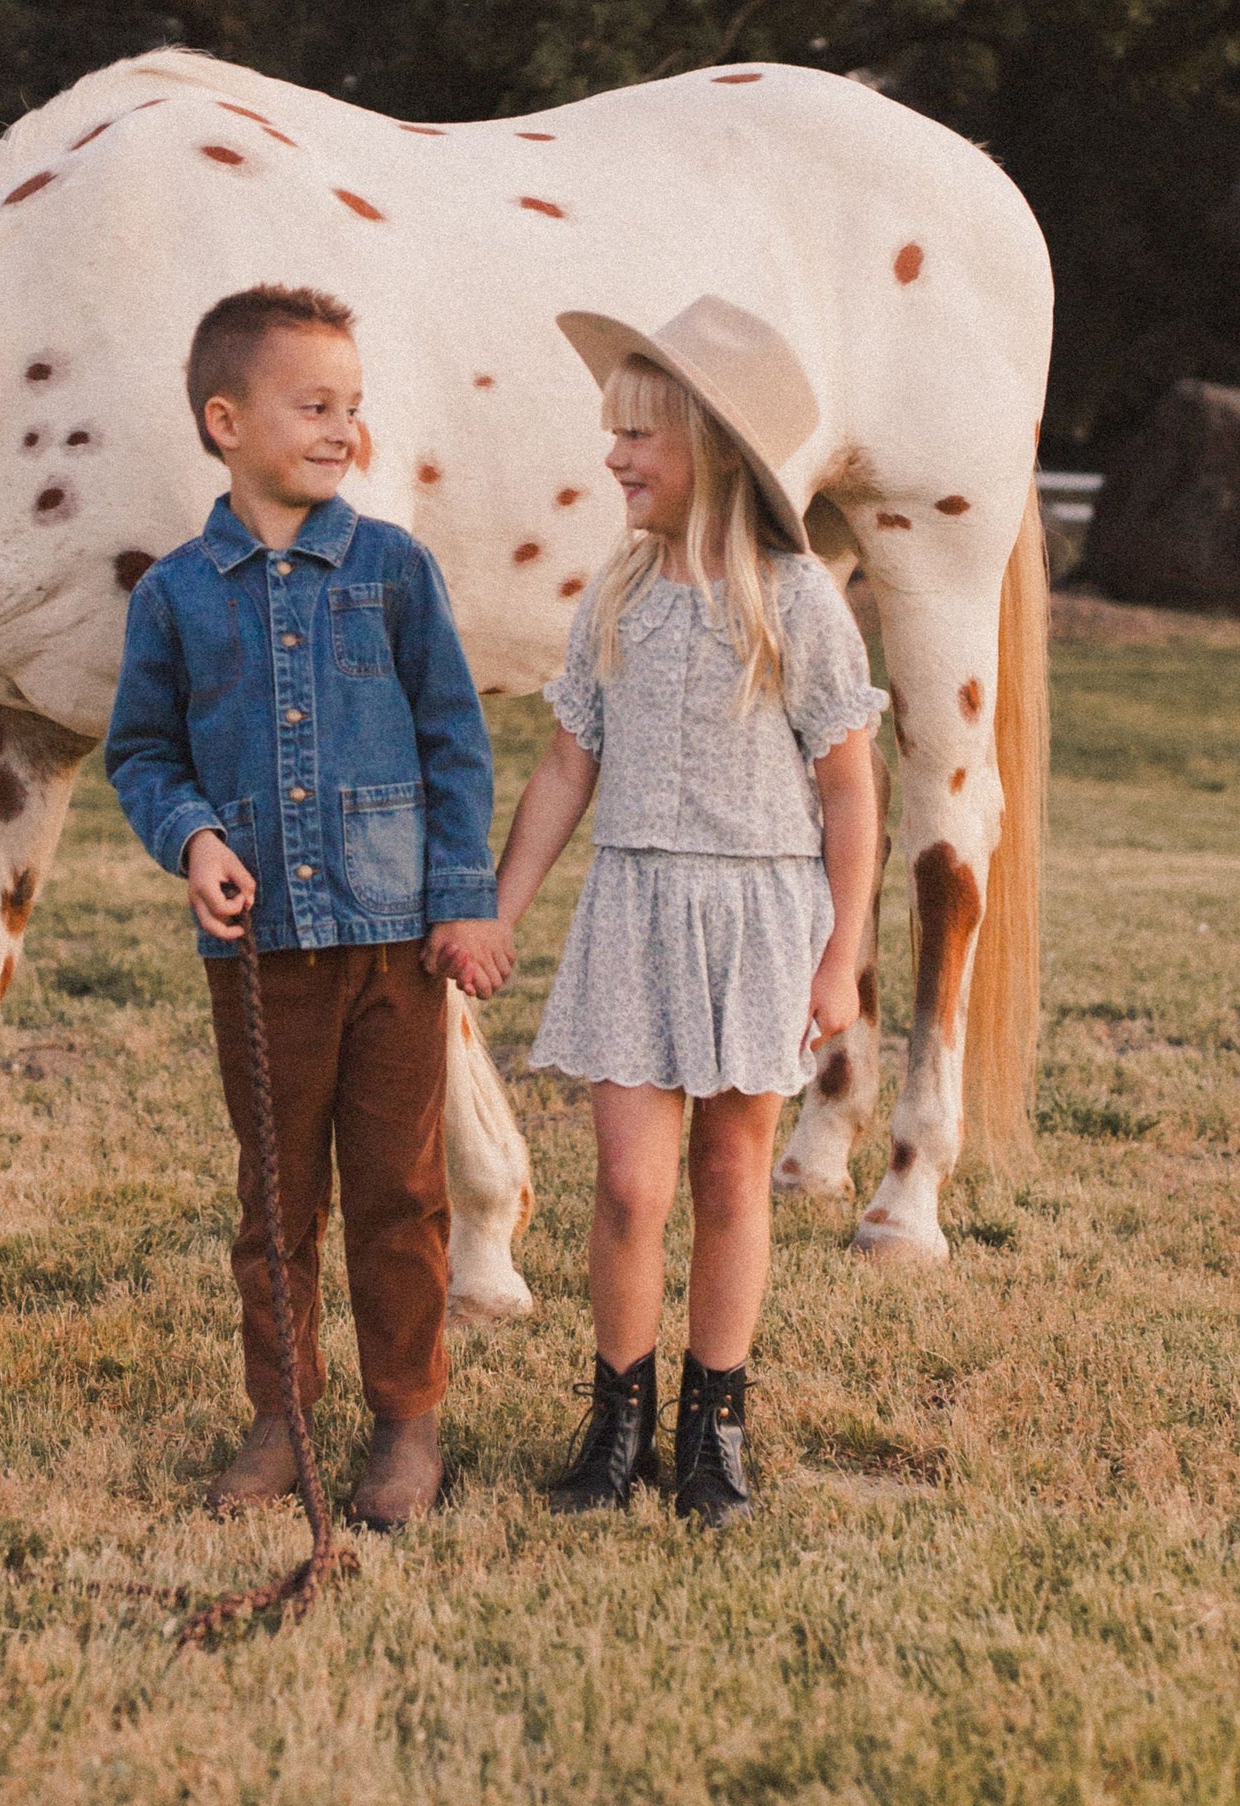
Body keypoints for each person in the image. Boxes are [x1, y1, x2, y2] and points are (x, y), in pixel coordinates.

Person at [105, 284, 513, 1529]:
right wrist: (194, 838)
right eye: (313, 405)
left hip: (394, 945)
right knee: (275, 1196)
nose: (343, 428)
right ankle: (280, 1417)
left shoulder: (389, 569)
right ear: (225, 422)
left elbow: (454, 741)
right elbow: (142, 753)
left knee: (398, 1190)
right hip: (259, 950)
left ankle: (406, 1422)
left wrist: (464, 902)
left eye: (353, 407)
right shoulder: (176, 594)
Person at [493, 297, 885, 1526]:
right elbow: (566, 763)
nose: (613, 458)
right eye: (613, 435)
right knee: (627, 1187)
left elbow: (846, 789)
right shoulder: (613, 594)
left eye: (638, 439)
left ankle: (714, 1427)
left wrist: (841, 956)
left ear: (711, 451)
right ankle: (616, 1423)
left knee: (731, 1174)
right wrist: (499, 909)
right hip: (633, 906)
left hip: (759, 913)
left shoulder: (794, 599)